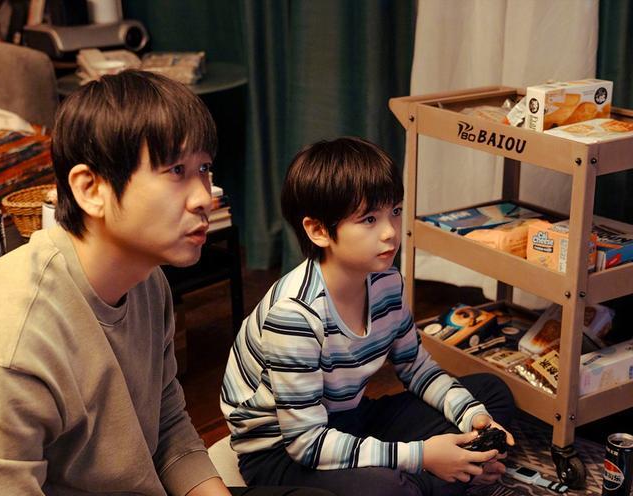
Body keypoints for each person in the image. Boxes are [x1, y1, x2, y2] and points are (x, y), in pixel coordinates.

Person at [0, 70, 333, 496]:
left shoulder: (148, 280)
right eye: (176, 170)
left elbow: (168, 422)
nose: (205, 196)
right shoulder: (17, 342)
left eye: (203, 168)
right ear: (91, 188)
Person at [220, 136, 516, 496]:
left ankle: (448, 475)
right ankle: (448, 477)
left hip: (350, 419)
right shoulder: (295, 315)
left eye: (395, 211)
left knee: (491, 393)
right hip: (282, 450)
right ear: (318, 230)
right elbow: (306, 443)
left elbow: (417, 368)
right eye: (369, 219)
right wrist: (422, 455)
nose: (390, 232)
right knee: (391, 489)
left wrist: (473, 417)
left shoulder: (387, 281)